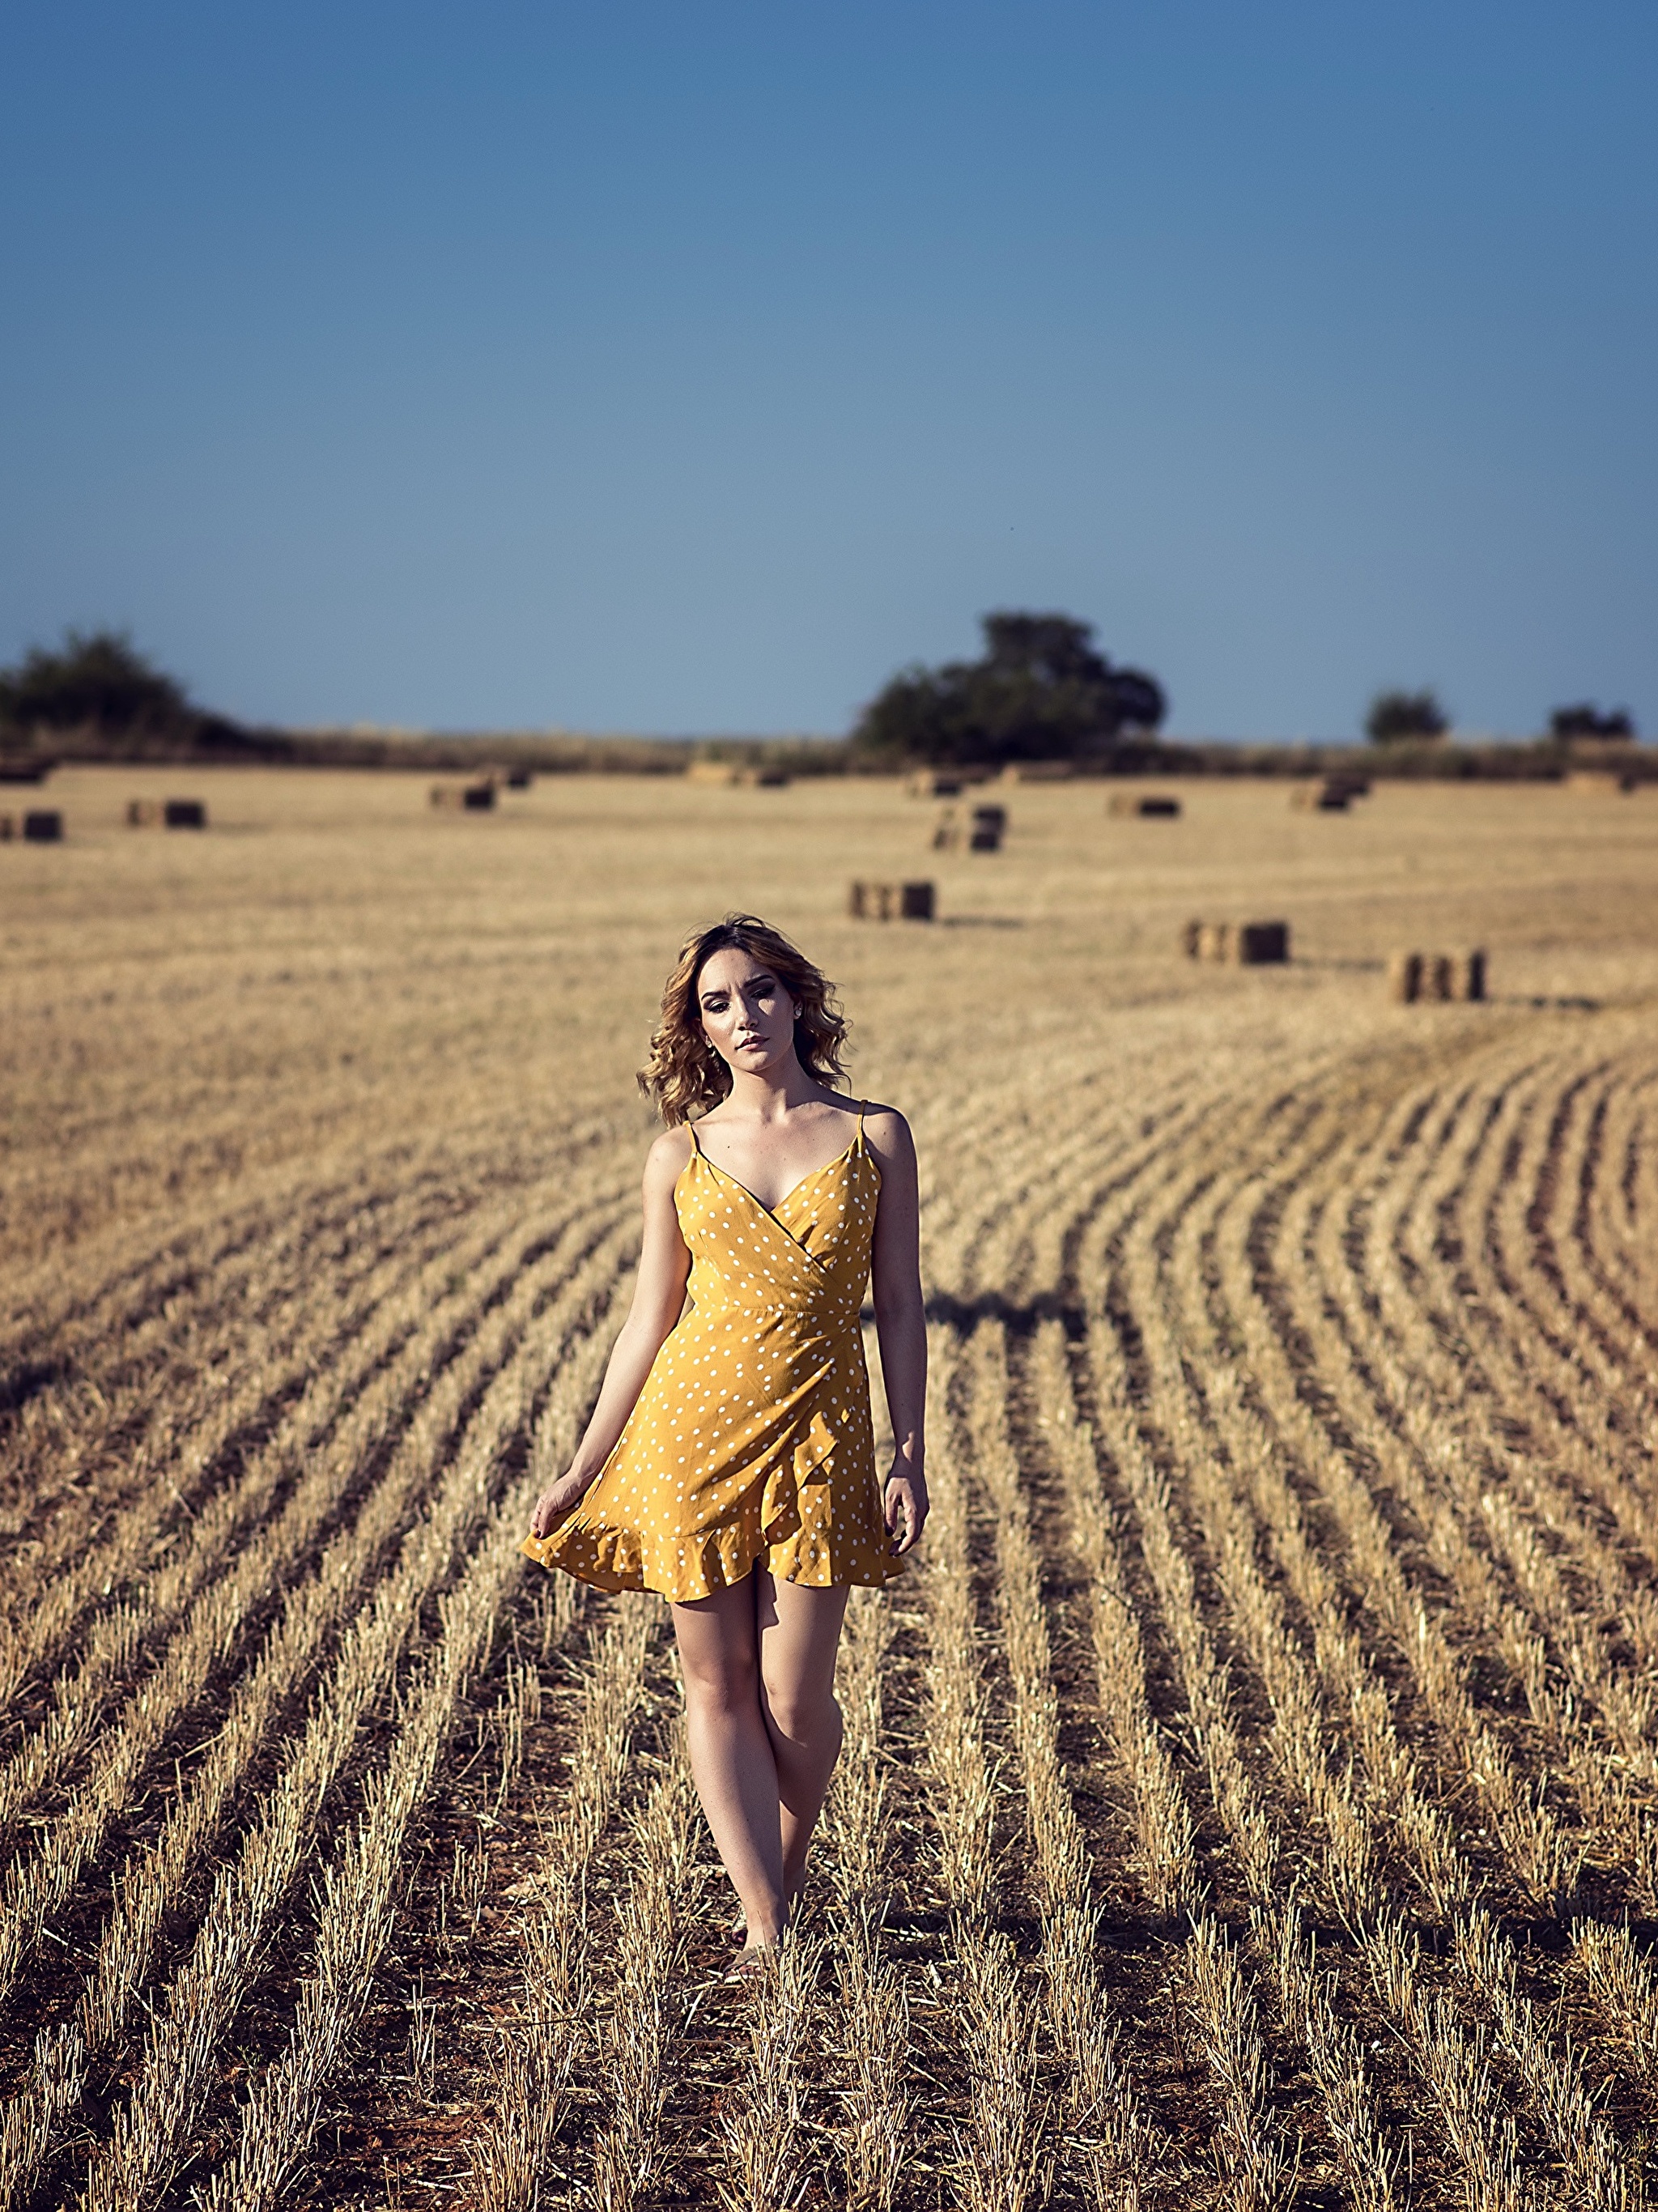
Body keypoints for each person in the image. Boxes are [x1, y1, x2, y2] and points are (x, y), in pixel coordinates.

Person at [524, 913, 928, 1962]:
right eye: (716, 1004)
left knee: (797, 1701)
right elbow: (647, 1320)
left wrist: (910, 1451)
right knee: (717, 1685)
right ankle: (765, 1924)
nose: (741, 1016)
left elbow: (900, 1304)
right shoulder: (680, 1155)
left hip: (821, 1442)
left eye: (756, 992)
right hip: (690, 1439)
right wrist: (582, 1465)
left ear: (796, 1000)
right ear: (698, 1031)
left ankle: (782, 1876)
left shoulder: (876, 1134)